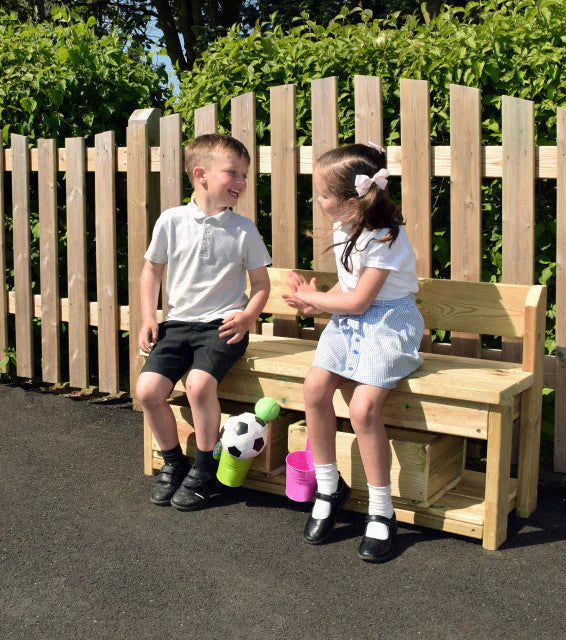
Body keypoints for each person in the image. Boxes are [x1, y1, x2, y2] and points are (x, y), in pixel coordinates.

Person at [283, 142, 424, 562]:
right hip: (351, 322)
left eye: (323, 194)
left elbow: (362, 302)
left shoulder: (386, 238)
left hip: (388, 324)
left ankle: (383, 511)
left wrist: (316, 299)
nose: (319, 201)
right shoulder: (348, 227)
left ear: (350, 200)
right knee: (314, 389)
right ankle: (329, 486)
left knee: (363, 408)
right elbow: (346, 292)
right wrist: (315, 301)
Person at [136, 133, 271, 511]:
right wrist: (149, 315)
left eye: (245, 175)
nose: (242, 182)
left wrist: (247, 316)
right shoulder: (171, 221)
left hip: (223, 326)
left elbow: (261, 284)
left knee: (197, 385)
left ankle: (203, 469)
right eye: (234, 173)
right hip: (177, 324)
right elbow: (151, 273)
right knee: (147, 390)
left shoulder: (243, 229)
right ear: (201, 175)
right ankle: (174, 463)